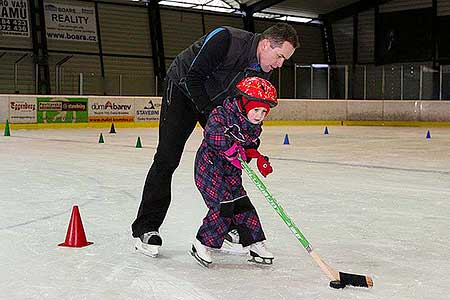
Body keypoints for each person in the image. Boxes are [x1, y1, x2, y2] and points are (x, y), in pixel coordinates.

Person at [133, 22, 299, 257]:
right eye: (280, 56)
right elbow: (194, 78)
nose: (280, 64)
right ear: (265, 44)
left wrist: (249, 147)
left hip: (215, 104)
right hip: (183, 90)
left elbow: (245, 109)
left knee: (226, 161)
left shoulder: (264, 69)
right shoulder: (226, 39)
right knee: (167, 158)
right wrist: (215, 118)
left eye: (284, 60)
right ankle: (146, 228)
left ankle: (227, 225)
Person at [190, 76, 277, 267]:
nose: (259, 116)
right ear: (244, 103)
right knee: (224, 205)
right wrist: (230, 148)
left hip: (231, 171)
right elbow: (212, 134)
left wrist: (256, 156)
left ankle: (254, 243)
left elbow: (250, 145)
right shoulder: (222, 114)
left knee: (242, 204)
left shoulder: (254, 125)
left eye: (264, 112)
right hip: (209, 167)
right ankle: (202, 242)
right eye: (256, 110)